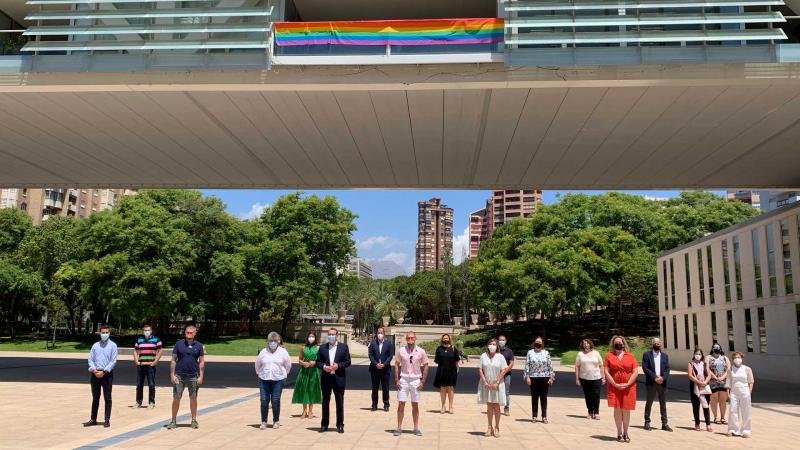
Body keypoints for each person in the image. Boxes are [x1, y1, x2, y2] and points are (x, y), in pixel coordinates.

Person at [167, 324, 205, 430]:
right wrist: (172, 375)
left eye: (191, 332)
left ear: (195, 333)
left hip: (194, 375)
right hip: (179, 375)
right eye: (187, 332)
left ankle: (193, 420)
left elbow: (201, 362)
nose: (189, 334)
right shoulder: (179, 344)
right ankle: (173, 421)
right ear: (185, 333)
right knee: (176, 398)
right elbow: (173, 360)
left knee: (193, 398)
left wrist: (201, 376)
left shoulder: (199, 345)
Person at [393, 331, 429, 436]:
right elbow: (396, 364)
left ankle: (416, 428)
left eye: (412, 338)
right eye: (408, 338)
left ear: (415, 339)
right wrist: (396, 379)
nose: (410, 340)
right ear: (406, 339)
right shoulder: (401, 351)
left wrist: (422, 381)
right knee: (401, 404)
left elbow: (426, 365)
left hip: (415, 380)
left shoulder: (421, 351)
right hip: (404, 379)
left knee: (415, 404)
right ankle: (399, 428)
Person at [316, 327, 351, 433]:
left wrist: (338, 366)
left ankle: (340, 424)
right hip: (326, 378)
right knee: (325, 401)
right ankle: (324, 424)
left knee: (339, 402)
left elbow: (348, 362)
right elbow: (318, 362)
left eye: (333, 334)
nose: (331, 336)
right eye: (329, 334)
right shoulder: (322, 348)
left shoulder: (343, 347)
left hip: (338, 378)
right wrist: (324, 367)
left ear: (337, 335)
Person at [255, 332, 292, 430]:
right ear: (268, 341)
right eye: (271, 341)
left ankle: (276, 421)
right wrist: (259, 373)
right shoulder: (263, 352)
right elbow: (257, 364)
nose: (272, 343)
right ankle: (264, 421)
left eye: (275, 341)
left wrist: (284, 374)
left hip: (278, 380)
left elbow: (288, 364)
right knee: (264, 401)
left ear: (278, 341)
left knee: (275, 400)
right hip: (264, 379)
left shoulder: (283, 352)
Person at [605, 335, 638, 443]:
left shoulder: (630, 356)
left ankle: (626, 433)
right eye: (616, 342)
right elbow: (606, 371)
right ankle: (619, 433)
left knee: (626, 410)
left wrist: (628, 383)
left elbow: (635, 371)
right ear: (613, 344)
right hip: (615, 387)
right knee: (617, 409)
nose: (618, 344)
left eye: (620, 342)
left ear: (623, 343)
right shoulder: (609, 356)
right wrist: (614, 383)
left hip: (628, 387)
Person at [83, 325, 117, 428]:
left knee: (107, 398)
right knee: (95, 397)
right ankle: (93, 419)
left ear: (109, 333)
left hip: (107, 375)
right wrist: (94, 370)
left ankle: (107, 419)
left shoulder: (113, 346)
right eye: (103, 332)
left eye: (106, 332)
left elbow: (113, 361)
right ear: (99, 333)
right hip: (95, 373)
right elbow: (90, 359)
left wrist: (104, 371)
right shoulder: (95, 346)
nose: (105, 334)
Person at [477, 338, 509, 438]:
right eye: (490, 344)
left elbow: (504, 370)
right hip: (486, 384)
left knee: (497, 405)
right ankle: (489, 427)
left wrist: (497, 382)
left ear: (497, 346)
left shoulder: (500, 357)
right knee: (489, 405)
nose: (492, 346)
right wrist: (485, 381)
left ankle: (497, 427)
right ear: (487, 346)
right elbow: (480, 369)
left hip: (498, 384)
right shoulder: (483, 356)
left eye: (494, 344)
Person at [641, 337, 672, 431]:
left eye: (659, 343)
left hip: (662, 383)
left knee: (663, 404)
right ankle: (647, 422)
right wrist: (655, 377)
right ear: (652, 344)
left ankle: (664, 423)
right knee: (649, 402)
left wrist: (662, 378)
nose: (657, 344)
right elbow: (645, 368)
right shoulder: (647, 355)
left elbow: (667, 369)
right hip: (651, 382)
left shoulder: (665, 356)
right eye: (655, 343)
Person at [523, 336, 555, 424]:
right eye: (537, 342)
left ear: (542, 344)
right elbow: (527, 365)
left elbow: (550, 365)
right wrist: (527, 377)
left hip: (545, 377)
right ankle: (534, 416)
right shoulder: (530, 352)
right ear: (534, 343)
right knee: (534, 397)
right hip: (533, 377)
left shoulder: (546, 353)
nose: (538, 343)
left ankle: (544, 416)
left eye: (540, 342)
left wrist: (551, 377)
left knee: (544, 397)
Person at [292, 331, 321, 419]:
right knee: (304, 389)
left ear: (315, 338)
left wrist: (314, 363)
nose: (311, 338)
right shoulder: (303, 348)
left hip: (314, 372)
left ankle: (311, 411)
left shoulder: (318, 348)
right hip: (304, 371)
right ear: (307, 338)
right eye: (309, 336)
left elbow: (321, 360)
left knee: (312, 390)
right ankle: (304, 411)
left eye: (313, 336)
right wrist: (304, 363)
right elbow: (299, 360)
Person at [133, 324, 163, 409]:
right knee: (139, 384)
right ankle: (138, 402)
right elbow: (135, 351)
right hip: (141, 365)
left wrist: (155, 361)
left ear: (151, 331)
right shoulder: (139, 340)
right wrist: (136, 361)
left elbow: (160, 350)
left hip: (151, 366)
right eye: (145, 330)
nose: (146, 332)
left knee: (151, 384)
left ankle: (151, 402)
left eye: (148, 330)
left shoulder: (156, 340)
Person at [574, 339, 604, 420]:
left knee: (596, 395)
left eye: (587, 343)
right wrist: (577, 379)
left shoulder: (596, 353)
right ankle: (590, 412)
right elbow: (577, 366)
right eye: (584, 344)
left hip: (596, 378)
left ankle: (596, 412)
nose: (586, 345)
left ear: (590, 344)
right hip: (584, 378)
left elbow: (601, 365)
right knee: (588, 396)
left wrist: (603, 377)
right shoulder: (580, 354)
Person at [727, 352, 754, 438]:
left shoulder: (747, 369)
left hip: (745, 391)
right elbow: (728, 382)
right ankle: (733, 429)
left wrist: (749, 392)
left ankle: (746, 430)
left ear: (742, 358)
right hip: (734, 392)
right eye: (735, 357)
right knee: (732, 410)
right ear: (733, 359)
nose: (737, 359)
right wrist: (728, 393)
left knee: (746, 411)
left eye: (739, 357)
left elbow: (751, 381)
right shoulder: (730, 369)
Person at [368, 327, 394, 412]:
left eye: (381, 332)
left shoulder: (389, 344)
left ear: (384, 334)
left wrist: (384, 364)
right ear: (376, 333)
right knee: (374, 388)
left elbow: (390, 356)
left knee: (385, 388)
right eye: (378, 332)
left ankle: (386, 404)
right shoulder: (372, 343)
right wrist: (376, 364)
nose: (380, 334)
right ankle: (374, 404)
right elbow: (370, 355)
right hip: (374, 369)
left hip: (385, 369)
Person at [433, 333, 460, 414]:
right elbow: (437, 360)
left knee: (450, 388)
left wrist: (457, 370)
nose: (445, 339)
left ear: (449, 339)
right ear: (442, 339)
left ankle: (450, 406)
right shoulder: (439, 348)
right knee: (443, 389)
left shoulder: (453, 348)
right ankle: (443, 406)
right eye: (444, 338)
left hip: (452, 371)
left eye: (447, 338)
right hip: (441, 371)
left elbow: (457, 360)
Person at [688, 348, 713, 432]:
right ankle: (697, 423)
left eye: (699, 354)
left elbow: (709, 375)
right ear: (694, 354)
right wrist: (698, 382)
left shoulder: (705, 364)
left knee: (706, 406)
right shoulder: (691, 364)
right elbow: (690, 375)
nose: (698, 355)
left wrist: (705, 382)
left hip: (704, 387)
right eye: (696, 353)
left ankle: (708, 424)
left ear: (702, 355)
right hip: (695, 387)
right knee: (696, 406)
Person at [706, 342, 730, 425]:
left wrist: (722, 377)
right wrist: (715, 377)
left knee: (723, 400)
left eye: (718, 347)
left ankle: (723, 417)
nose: (717, 349)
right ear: (712, 349)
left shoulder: (724, 358)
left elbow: (729, 369)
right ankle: (715, 417)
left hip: (723, 381)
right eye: (715, 347)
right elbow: (707, 369)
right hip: (713, 381)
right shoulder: (708, 357)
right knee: (714, 399)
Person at [498, 335, 515, 415]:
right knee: (496, 391)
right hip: (497, 374)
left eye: (503, 340)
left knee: (506, 392)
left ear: (506, 341)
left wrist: (505, 371)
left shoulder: (509, 351)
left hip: (507, 374)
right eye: (500, 340)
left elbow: (511, 363)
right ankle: (496, 407)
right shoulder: (496, 351)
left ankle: (506, 408)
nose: (501, 341)